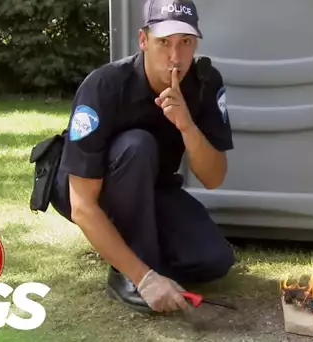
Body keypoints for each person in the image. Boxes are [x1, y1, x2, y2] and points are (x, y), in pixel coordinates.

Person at [50, 0, 235, 314]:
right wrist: (145, 277)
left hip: (153, 187)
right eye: (164, 42)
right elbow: (82, 205)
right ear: (143, 40)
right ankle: (127, 272)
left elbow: (214, 177)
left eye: (185, 42)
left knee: (213, 260)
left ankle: (130, 249)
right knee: (138, 145)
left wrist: (187, 126)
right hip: (88, 189)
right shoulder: (105, 86)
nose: (175, 57)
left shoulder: (204, 83)